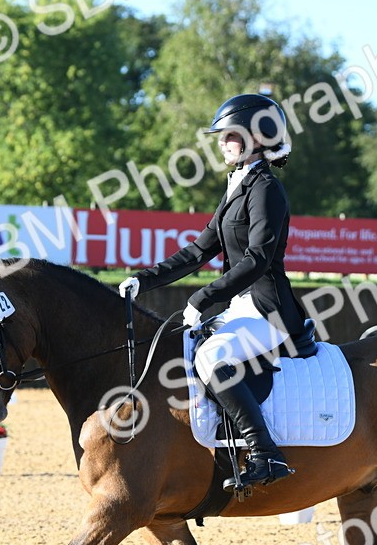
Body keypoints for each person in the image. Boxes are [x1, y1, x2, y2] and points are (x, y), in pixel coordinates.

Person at [118, 93, 306, 491]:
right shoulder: (238, 185)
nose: (221, 143)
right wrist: (144, 280)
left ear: (255, 138)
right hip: (243, 305)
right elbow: (200, 250)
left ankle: (265, 454)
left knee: (213, 357)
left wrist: (202, 298)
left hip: (269, 309)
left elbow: (257, 258)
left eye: (228, 136)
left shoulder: (266, 189)